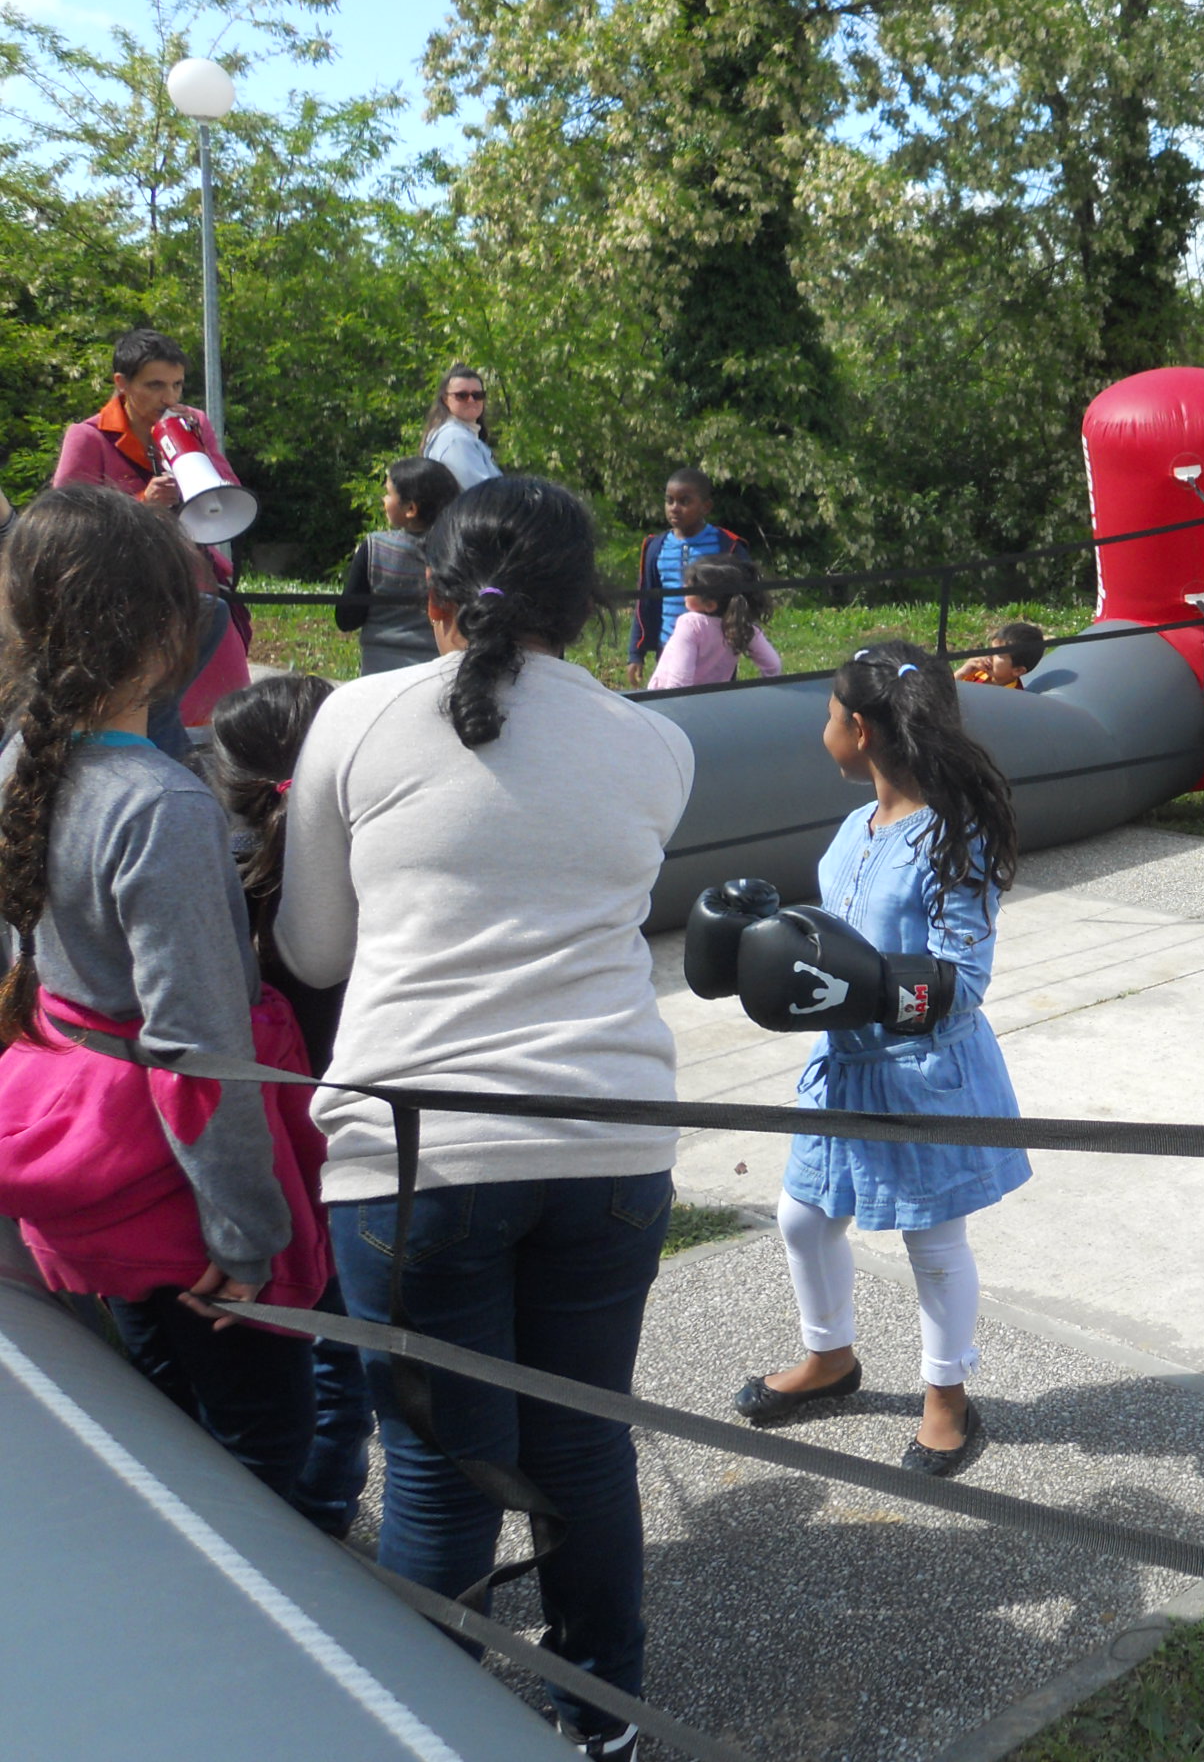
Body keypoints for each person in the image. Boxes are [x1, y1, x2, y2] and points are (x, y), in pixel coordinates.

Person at [277, 477, 695, 1758]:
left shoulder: (353, 717)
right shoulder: (657, 743)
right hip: (611, 1136)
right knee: (583, 1445)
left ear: (433, 594)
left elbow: (312, 946)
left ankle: (430, 1728)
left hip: (416, 1155)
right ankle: (601, 1720)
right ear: (594, 604)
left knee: (440, 1475)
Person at [0, 487, 329, 1504]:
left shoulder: (23, 761)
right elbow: (198, 1049)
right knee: (264, 1457)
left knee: (162, 1430)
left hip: (79, 1171)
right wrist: (248, 1236)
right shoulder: (160, 808)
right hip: (182, 1203)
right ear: (157, 624)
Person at [729, 647, 1029, 1481]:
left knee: (932, 1242)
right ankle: (830, 1359)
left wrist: (861, 989)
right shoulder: (856, 826)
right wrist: (768, 939)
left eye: (828, 712)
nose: (823, 726)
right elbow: (839, 930)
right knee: (803, 1216)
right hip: (844, 1065)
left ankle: (948, 1397)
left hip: (922, 1071)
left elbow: (962, 979)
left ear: (857, 730)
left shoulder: (951, 838)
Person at [204, 673, 374, 1540]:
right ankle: (330, 1514)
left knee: (263, 1355)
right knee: (347, 1359)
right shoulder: (371, 878)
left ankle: (274, 1527)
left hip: (250, 1156)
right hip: (350, 1151)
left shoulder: (211, 893)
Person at [52, 327, 252, 726]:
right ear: (121, 384)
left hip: (195, 588)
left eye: (177, 385)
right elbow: (63, 525)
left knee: (227, 720)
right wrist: (142, 504)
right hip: (125, 600)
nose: (170, 399)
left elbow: (226, 489)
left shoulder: (193, 422)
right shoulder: (88, 437)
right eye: (155, 385)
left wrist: (193, 457)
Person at [334, 455, 460, 676]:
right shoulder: (462, 552)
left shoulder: (376, 547)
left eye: (388, 493)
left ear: (410, 509)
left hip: (379, 675)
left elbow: (347, 619)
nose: (384, 500)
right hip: (440, 673)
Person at [627, 466, 752, 684]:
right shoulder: (656, 547)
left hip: (716, 651)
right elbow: (645, 601)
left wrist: (739, 633)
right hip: (669, 647)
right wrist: (635, 654)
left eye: (684, 502)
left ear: (706, 507)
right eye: (669, 501)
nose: (674, 508)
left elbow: (748, 595)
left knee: (716, 707)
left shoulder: (726, 546)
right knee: (674, 706)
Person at [647, 556, 783, 690]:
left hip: (669, 705)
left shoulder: (691, 624)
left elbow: (679, 682)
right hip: (714, 702)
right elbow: (773, 665)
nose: (684, 587)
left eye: (689, 588)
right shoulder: (742, 627)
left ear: (710, 605)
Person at [420, 364, 501, 490]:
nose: (471, 400)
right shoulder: (454, 439)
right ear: (445, 400)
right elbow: (484, 493)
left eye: (477, 395)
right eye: (461, 396)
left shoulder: (465, 435)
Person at [956, 621, 1047, 689]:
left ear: (1018, 670)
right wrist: (961, 673)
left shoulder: (1012, 698)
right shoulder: (978, 673)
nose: (989, 656)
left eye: (998, 654)